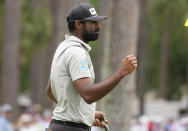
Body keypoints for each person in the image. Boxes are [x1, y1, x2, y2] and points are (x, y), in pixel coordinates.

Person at [46, 2, 137, 131]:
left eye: (98, 22)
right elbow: (88, 94)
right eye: (92, 22)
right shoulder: (77, 53)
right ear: (78, 24)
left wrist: (85, 114)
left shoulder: (63, 48)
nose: (98, 26)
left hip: (58, 126)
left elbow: (50, 91)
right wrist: (121, 73)